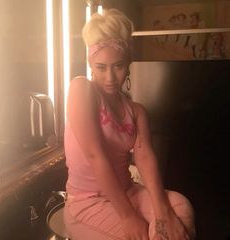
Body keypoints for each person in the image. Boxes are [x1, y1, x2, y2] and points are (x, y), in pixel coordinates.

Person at [64, 8, 196, 240]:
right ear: (90, 63)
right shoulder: (81, 89)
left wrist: (163, 212)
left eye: (118, 66)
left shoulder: (136, 111)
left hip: (129, 190)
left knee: (181, 208)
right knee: (142, 233)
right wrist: (128, 216)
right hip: (87, 201)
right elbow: (96, 155)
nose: (110, 77)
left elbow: (145, 159)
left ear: (128, 62)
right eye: (101, 67)